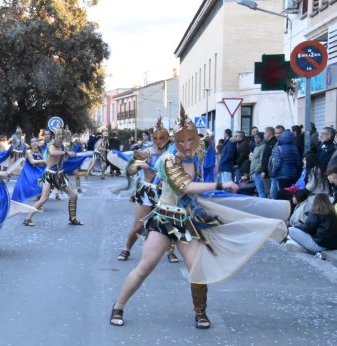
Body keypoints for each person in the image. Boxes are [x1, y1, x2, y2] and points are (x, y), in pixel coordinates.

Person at [110, 107, 288, 329]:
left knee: (198, 267)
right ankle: (118, 305)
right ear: (174, 141)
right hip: (165, 218)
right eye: (181, 141)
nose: (186, 146)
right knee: (145, 267)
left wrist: (217, 197)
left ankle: (200, 312)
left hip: (187, 219)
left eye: (191, 140)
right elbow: (185, 186)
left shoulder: (196, 157)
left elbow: (198, 188)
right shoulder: (167, 160)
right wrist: (222, 184)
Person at [116, 117, 179, 264]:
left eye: (161, 138)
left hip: (164, 192)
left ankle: (170, 251)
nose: (158, 141)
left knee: (168, 223)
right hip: (146, 191)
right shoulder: (146, 152)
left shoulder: (172, 155)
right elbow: (130, 170)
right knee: (138, 225)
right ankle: (126, 249)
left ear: (167, 138)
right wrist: (139, 166)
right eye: (155, 138)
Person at [23, 127, 83, 226]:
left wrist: (70, 154)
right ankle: (28, 219)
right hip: (50, 174)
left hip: (60, 175)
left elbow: (64, 157)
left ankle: (73, 218)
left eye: (62, 134)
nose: (61, 136)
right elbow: (52, 152)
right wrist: (67, 153)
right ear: (55, 135)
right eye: (58, 134)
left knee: (73, 195)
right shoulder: (52, 145)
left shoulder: (62, 146)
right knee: (43, 198)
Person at [287, 193, 337, 259]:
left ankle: (309, 250)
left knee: (290, 230)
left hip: (319, 245)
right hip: (333, 246)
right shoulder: (333, 214)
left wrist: (295, 226)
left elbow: (307, 228)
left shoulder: (316, 212)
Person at [11, 137, 47, 203]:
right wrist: (44, 161)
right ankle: (38, 201)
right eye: (32, 142)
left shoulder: (41, 151)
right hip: (29, 171)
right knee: (33, 184)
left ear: (38, 143)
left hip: (38, 169)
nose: (34, 143)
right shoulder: (29, 151)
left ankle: (39, 199)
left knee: (44, 182)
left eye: (35, 141)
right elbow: (32, 161)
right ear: (30, 144)